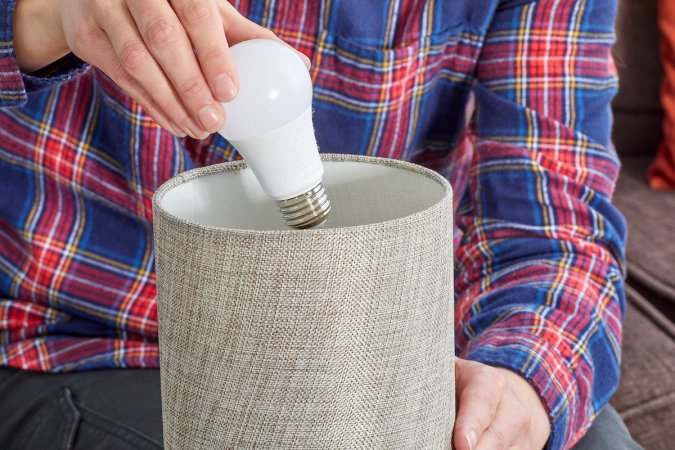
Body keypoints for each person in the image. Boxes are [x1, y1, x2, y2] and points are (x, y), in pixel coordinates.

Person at [0, 0, 642, 449]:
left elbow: (554, 221)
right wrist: (46, 17)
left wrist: (524, 379)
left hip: (383, 352)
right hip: (88, 347)